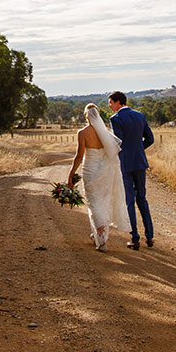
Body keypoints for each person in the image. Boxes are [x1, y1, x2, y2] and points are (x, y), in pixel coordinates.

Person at [67, 103, 126, 252]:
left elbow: (79, 156)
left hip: (90, 170)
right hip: (105, 171)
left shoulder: (83, 133)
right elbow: (115, 152)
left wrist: (71, 174)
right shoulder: (105, 133)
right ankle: (100, 235)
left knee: (93, 203)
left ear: (85, 116)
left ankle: (101, 239)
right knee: (103, 202)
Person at [108, 91, 154, 250]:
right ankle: (150, 236)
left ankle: (135, 238)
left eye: (111, 102)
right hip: (140, 162)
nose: (110, 106)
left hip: (126, 164)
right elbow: (150, 139)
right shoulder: (140, 115)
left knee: (129, 200)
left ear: (118, 102)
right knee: (142, 198)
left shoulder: (116, 119)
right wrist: (139, 150)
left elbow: (118, 142)